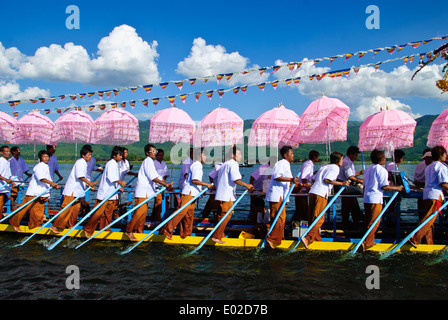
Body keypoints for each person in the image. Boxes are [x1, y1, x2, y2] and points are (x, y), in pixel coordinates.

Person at [161, 148, 213, 240]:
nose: (205, 157)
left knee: (189, 214)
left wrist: (200, 191)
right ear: (199, 155)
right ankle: (167, 230)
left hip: (193, 193)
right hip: (189, 192)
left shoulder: (196, 165)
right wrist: (207, 184)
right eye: (204, 155)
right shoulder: (197, 165)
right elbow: (195, 180)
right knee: (182, 211)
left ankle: (186, 232)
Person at [302, 152, 350, 249]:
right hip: (320, 193)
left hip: (313, 192)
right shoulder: (335, 168)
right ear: (337, 160)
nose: (342, 162)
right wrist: (342, 184)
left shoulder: (324, 167)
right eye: (341, 160)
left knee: (313, 216)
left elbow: (313, 179)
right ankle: (308, 237)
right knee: (319, 218)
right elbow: (327, 180)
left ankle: (316, 238)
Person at [125, 144, 173, 240]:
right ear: (147, 153)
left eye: (155, 152)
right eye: (153, 152)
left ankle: (139, 231)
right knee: (139, 212)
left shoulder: (150, 162)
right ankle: (128, 230)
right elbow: (153, 177)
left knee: (143, 214)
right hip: (142, 191)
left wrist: (163, 183)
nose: (155, 153)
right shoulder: (148, 161)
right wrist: (165, 184)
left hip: (146, 191)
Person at [361, 149, 404, 251]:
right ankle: (368, 242)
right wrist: (397, 188)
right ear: (382, 159)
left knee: (368, 220)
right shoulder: (382, 170)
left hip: (367, 197)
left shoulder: (368, 170)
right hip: (375, 198)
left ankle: (366, 239)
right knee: (374, 221)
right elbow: (384, 186)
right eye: (384, 158)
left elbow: (364, 185)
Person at [49, 145, 97, 234]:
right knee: (66, 208)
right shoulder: (80, 162)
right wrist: (89, 183)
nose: (90, 156)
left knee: (76, 209)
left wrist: (89, 185)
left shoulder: (85, 163)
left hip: (78, 191)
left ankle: (70, 225)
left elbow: (84, 178)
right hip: (72, 190)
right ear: (83, 155)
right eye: (89, 154)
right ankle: (55, 226)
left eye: (90, 154)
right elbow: (80, 176)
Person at [9, 150, 60, 232]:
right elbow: (41, 178)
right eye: (44, 157)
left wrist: (54, 185)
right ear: (41, 158)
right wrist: (52, 183)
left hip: (42, 192)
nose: (46, 158)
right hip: (34, 191)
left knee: (38, 210)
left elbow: (48, 179)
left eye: (47, 157)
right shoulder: (39, 166)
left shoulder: (47, 166)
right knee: (25, 207)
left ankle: (34, 225)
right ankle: (14, 222)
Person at [212, 146, 254, 244]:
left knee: (220, 215)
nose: (240, 157)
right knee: (226, 215)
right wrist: (246, 185)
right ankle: (217, 236)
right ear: (233, 155)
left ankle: (220, 234)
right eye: (238, 154)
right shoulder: (233, 164)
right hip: (226, 195)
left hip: (221, 194)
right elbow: (235, 179)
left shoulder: (224, 164)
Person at [82, 147, 127, 238]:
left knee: (108, 214)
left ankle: (105, 228)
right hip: (105, 194)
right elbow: (111, 177)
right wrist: (120, 182)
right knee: (98, 212)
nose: (121, 157)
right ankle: (87, 229)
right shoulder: (111, 163)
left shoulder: (115, 164)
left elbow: (113, 179)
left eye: (121, 155)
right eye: (119, 155)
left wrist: (118, 187)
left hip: (111, 194)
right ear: (114, 156)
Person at [410, 146, 448, 247]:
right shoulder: (442, 167)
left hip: (427, 195)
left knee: (428, 219)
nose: (446, 156)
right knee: (429, 219)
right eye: (445, 154)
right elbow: (443, 184)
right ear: (441, 155)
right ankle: (414, 237)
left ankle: (428, 242)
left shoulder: (429, 167)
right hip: (435, 195)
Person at [264, 146, 301, 249]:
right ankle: (272, 238)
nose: (293, 155)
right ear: (286, 155)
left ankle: (279, 237)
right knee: (278, 217)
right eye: (291, 153)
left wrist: (293, 183)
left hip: (281, 194)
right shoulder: (282, 163)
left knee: (281, 217)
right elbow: (276, 176)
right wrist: (291, 179)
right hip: (277, 194)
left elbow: (287, 181)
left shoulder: (286, 164)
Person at [336, 146, 365, 227]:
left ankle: (357, 218)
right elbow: (350, 176)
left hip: (347, 184)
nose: (356, 157)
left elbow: (351, 174)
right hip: (343, 185)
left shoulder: (349, 161)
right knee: (360, 191)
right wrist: (360, 181)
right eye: (356, 155)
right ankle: (350, 220)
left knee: (352, 200)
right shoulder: (347, 162)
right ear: (351, 154)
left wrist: (360, 173)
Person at [293, 150, 319, 222]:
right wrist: (306, 186)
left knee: (301, 209)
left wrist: (313, 173)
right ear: (315, 157)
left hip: (303, 188)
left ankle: (300, 219)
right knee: (303, 208)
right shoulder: (309, 165)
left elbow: (307, 175)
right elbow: (304, 177)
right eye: (317, 157)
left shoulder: (307, 163)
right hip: (302, 189)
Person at [8, 146, 30, 210]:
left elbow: (24, 169)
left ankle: (18, 205)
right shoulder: (10, 161)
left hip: (20, 179)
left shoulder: (21, 160)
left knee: (18, 193)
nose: (19, 152)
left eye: (19, 150)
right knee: (13, 194)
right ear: (13, 152)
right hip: (13, 179)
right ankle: (12, 207)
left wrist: (28, 174)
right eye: (17, 151)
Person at [151, 148, 170, 221]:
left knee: (162, 201)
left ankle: (159, 216)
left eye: (162, 155)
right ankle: (155, 217)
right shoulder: (153, 163)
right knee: (158, 201)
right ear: (156, 155)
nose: (160, 157)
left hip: (162, 184)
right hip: (156, 184)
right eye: (159, 155)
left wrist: (163, 180)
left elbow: (166, 173)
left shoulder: (164, 163)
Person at [0, 146, 14, 214]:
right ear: (1, 153)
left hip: (4, 188)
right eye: (6, 151)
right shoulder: (1, 161)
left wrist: (11, 181)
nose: (8, 153)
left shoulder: (7, 162)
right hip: (1, 187)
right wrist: (6, 180)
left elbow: (7, 174)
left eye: (9, 151)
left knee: (8, 199)